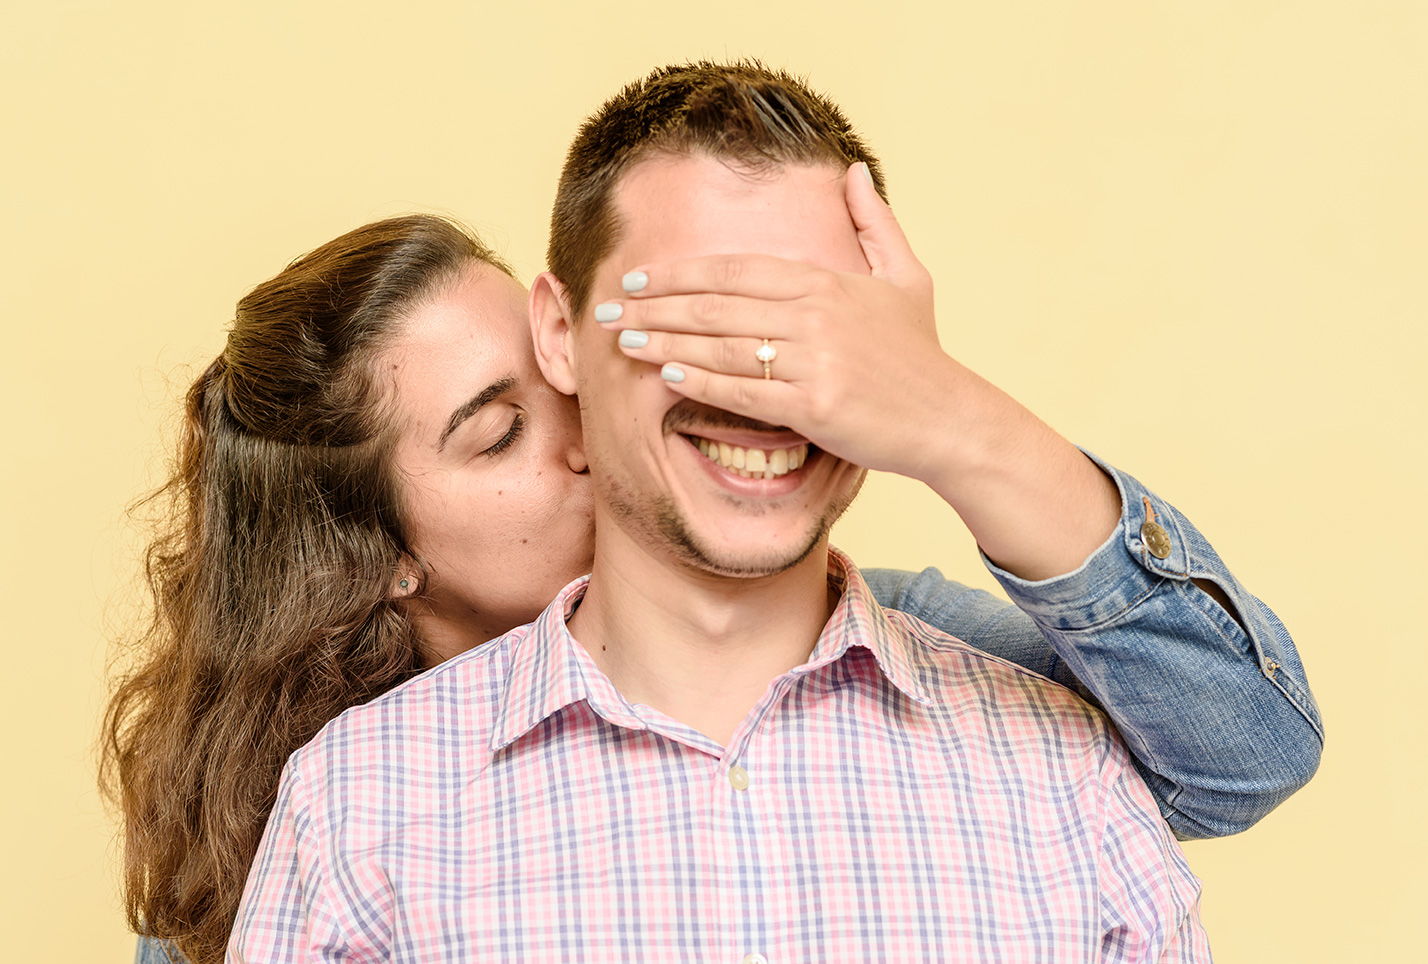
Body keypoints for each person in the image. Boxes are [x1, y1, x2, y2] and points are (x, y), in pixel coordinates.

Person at [226, 61, 1310, 961]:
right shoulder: (353, 807)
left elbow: (1242, 746)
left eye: (818, 331)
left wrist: (951, 416)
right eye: (695, 314)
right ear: (567, 337)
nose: (755, 377)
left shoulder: (1059, 766)